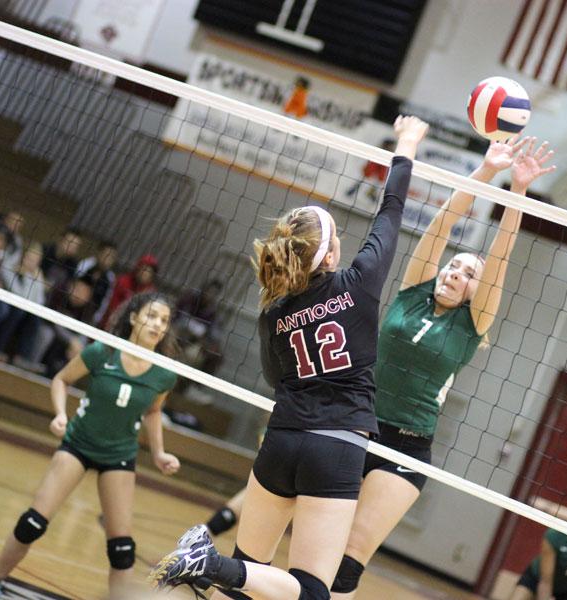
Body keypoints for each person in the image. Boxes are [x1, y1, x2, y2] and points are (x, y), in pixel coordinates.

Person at [148, 115, 430, 599]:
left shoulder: (274, 310)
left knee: (250, 574)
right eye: (336, 236)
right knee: (311, 592)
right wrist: (406, 144)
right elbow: (391, 212)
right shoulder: (357, 284)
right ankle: (209, 561)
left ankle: (217, 565)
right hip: (335, 447)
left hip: (281, 440)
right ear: (327, 255)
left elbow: (277, 377)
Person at [330, 136, 556, 599]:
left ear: (478, 290)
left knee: (352, 550)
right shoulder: (414, 291)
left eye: (469, 274)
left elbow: (501, 258)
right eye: (454, 266)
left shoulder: (472, 323)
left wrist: (518, 190)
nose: (456, 272)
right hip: (354, 423)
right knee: (317, 539)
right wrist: (484, 173)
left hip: (407, 446)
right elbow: (441, 226)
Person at [0, 293, 182, 600]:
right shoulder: (102, 351)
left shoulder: (165, 373)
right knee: (33, 523)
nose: (158, 324)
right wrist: (60, 414)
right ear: (133, 318)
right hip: (78, 444)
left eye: (164, 320)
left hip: (118, 455)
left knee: (122, 549)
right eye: (152, 315)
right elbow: (61, 380)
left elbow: (154, 411)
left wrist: (158, 453)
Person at [0, 243, 48, 362]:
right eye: (29, 258)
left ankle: (22, 358)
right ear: (23, 257)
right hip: (7, 305)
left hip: (24, 309)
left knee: (35, 318)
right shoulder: (10, 268)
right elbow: (19, 294)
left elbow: (41, 301)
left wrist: (37, 280)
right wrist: (27, 275)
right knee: (18, 311)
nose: (31, 263)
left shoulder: (36, 275)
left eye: (35, 261)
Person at [101, 254, 159, 329]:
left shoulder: (151, 292)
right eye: (144, 269)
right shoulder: (123, 281)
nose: (145, 273)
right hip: (110, 323)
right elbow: (112, 306)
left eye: (149, 271)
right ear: (138, 268)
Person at [76, 240, 118, 325]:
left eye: (111, 257)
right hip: (72, 309)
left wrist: (96, 319)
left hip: (88, 318)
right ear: (99, 253)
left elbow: (106, 301)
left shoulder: (111, 278)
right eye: (105, 254)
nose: (107, 259)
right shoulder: (85, 264)